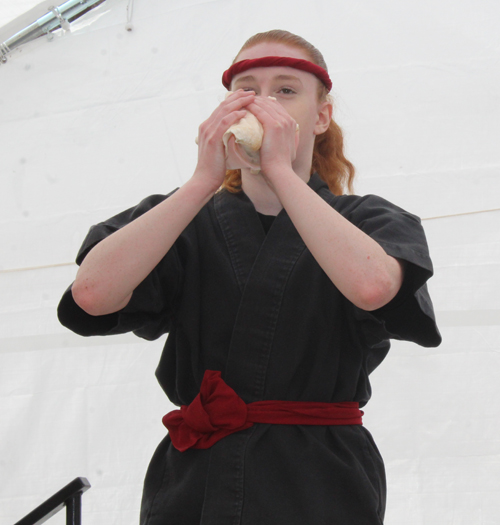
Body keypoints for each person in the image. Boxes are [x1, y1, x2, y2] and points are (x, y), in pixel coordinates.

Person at [58, 29, 441, 525]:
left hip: (320, 481)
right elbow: (91, 295)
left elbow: (373, 287)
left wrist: (280, 170)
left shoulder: (368, 220)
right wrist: (202, 181)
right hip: (195, 483)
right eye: (246, 89)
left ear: (320, 115)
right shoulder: (181, 217)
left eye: (286, 90)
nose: (263, 103)